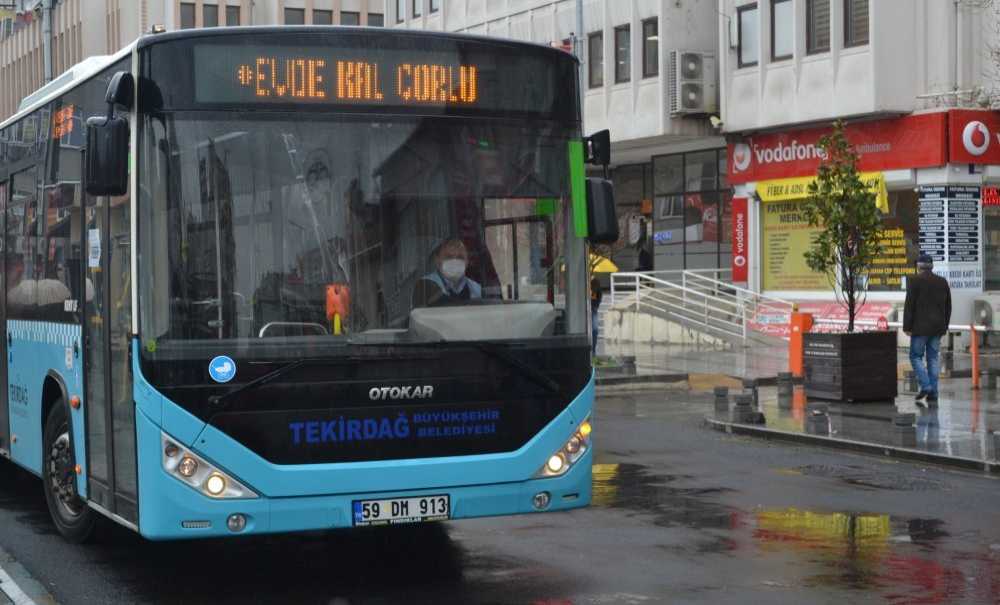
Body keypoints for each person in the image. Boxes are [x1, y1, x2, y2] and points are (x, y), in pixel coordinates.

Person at [903, 253, 951, 405]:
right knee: (933, 359)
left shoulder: (914, 281)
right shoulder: (942, 282)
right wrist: (945, 325)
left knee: (915, 357)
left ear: (919, 266)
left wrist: (907, 327)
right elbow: (948, 306)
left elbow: (909, 306)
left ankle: (926, 386)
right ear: (931, 266)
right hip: (937, 328)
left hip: (920, 328)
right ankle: (933, 393)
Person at [411, 238, 483, 308]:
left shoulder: (476, 288)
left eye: (460, 257)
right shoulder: (424, 285)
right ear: (437, 261)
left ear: (467, 261)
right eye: (449, 257)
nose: (455, 261)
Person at [590, 276, 603, 354]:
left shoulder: (595, 283)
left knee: (595, 329)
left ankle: (593, 350)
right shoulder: (581, 283)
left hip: (593, 309)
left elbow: (598, 297)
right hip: (584, 310)